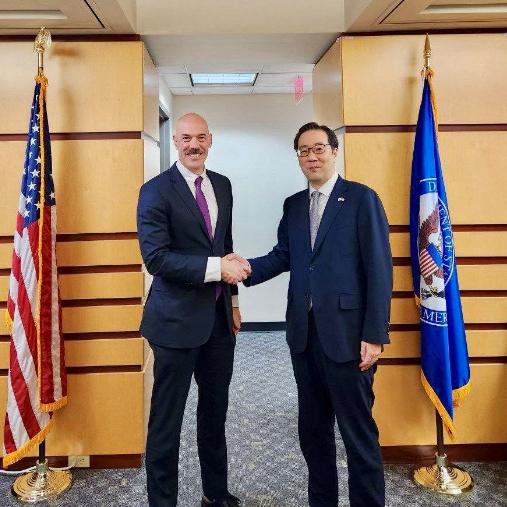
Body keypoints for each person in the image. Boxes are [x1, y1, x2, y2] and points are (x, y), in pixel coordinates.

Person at [239, 122, 392, 507]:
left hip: (349, 338)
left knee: (358, 436)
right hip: (304, 338)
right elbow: (284, 256)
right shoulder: (293, 205)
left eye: (319, 148)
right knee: (313, 433)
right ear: (298, 157)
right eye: (304, 151)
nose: (312, 156)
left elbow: (379, 268)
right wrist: (244, 269)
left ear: (334, 151)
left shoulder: (361, 199)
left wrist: (375, 334)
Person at [137, 113, 250, 507]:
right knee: (166, 424)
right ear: (175, 141)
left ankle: (214, 494)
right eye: (185, 138)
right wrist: (218, 268)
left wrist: (233, 302)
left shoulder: (223, 185)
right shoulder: (155, 191)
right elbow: (157, 259)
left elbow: (225, 246)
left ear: (210, 140)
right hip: (174, 324)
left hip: (218, 322)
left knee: (214, 415)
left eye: (200, 137)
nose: (193, 145)